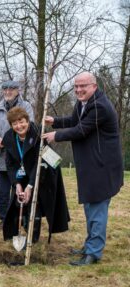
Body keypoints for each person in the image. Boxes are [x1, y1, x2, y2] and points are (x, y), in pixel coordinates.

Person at [43, 71, 123, 265]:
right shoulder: (83, 103)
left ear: (94, 86)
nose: (78, 90)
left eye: (83, 86)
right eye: (76, 86)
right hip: (91, 166)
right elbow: (74, 121)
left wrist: (56, 135)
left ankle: (93, 253)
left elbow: (81, 130)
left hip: (102, 167)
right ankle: (89, 246)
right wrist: (55, 121)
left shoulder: (100, 107)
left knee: (97, 210)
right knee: (90, 208)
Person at [2, 107, 70, 245]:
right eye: (14, 123)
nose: (19, 126)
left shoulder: (38, 133)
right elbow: (10, 165)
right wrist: (17, 184)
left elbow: (39, 164)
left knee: (35, 202)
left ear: (27, 120)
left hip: (43, 171)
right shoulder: (8, 137)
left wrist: (30, 186)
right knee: (18, 201)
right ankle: (20, 229)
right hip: (22, 173)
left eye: (21, 122)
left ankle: (33, 237)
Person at [0, 80, 34, 228]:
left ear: (18, 90)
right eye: (5, 89)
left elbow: (29, 126)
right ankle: (5, 220)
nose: (8, 92)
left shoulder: (26, 106)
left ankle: (19, 221)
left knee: (18, 193)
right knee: (0, 194)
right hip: (2, 159)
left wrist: (9, 140)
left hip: (20, 159)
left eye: (11, 89)